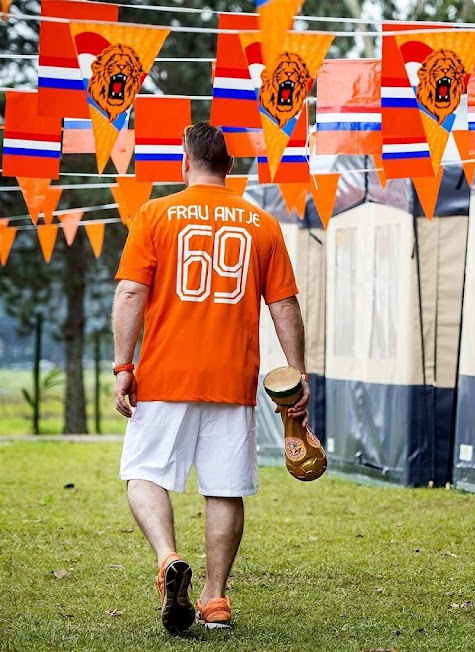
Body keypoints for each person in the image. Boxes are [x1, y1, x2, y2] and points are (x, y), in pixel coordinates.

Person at [111, 122, 308, 634]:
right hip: (232, 377)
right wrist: (296, 373)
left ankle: (167, 557)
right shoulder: (262, 223)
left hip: (164, 374)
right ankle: (216, 601)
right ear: (231, 166)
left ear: (185, 160)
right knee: (224, 488)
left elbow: (130, 294)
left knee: (145, 473)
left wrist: (123, 367)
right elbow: (283, 304)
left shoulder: (154, 214)